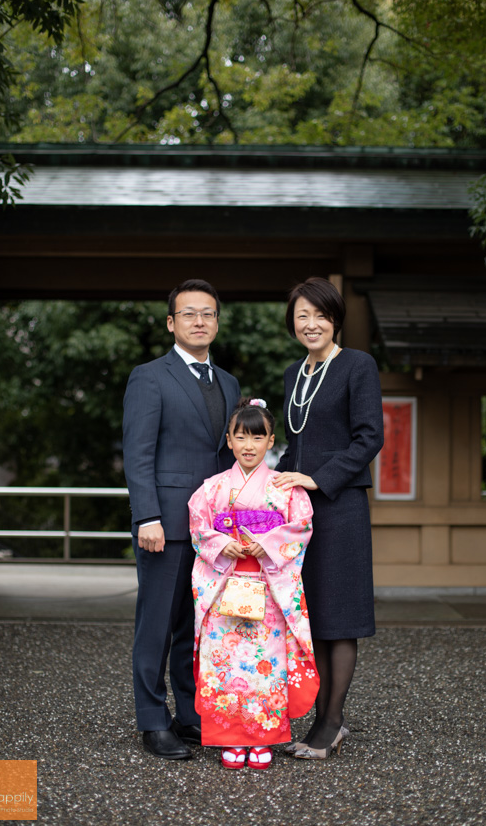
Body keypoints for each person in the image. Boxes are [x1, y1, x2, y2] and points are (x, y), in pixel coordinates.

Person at [122, 279, 241, 760]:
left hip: (213, 531)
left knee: (197, 625)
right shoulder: (149, 377)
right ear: (172, 322)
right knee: (157, 622)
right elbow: (138, 453)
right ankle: (152, 720)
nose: (199, 321)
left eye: (208, 314)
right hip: (165, 524)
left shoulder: (229, 383)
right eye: (189, 314)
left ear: (216, 321)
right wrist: (147, 514)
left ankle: (190, 716)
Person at [273, 276, 384, 760]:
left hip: (339, 508)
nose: (311, 323)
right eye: (302, 315)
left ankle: (331, 721)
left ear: (335, 319)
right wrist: (260, 490)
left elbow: (369, 437)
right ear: (292, 323)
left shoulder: (357, 365)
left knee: (339, 618)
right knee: (312, 616)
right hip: (300, 515)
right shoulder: (292, 374)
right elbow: (294, 449)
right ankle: (322, 714)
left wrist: (318, 479)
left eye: (320, 315)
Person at [188, 398, 319, 770]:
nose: (248, 445)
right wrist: (219, 543)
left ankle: (263, 738)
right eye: (240, 437)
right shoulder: (212, 488)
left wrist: (269, 543)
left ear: (271, 441)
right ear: (228, 441)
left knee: (266, 665)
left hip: (267, 586)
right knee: (225, 665)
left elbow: (302, 526)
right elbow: (198, 527)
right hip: (225, 584)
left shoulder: (285, 487)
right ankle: (229, 738)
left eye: (257, 437)